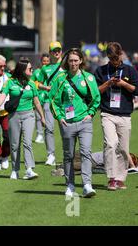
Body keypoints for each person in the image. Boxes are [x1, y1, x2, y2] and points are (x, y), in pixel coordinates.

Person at [50, 49, 101, 198]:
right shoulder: (61, 79)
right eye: (71, 60)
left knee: (86, 153)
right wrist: (59, 117)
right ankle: (70, 185)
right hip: (67, 124)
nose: (73, 63)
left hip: (85, 122)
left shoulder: (89, 78)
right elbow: (53, 99)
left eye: (76, 60)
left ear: (80, 61)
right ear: (67, 62)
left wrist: (90, 113)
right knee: (68, 156)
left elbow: (96, 98)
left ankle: (87, 185)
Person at [94, 42, 138, 191]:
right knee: (110, 143)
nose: (114, 60)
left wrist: (123, 84)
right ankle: (111, 178)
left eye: (116, 57)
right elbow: (95, 91)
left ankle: (121, 179)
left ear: (120, 54)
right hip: (107, 113)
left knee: (123, 147)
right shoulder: (101, 71)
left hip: (124, 115)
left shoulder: (129, 70)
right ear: (108, 56)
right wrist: (108, 83)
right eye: (111, 58)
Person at [0, 58, 45, 180]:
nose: (32, 70)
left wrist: (42, 117)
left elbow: (37, 102)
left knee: (27, 142)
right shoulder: (10, 82)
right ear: (23, 70)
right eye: (30, 69)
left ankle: (29, 169)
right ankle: (15, 169)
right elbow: (3, 95)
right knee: (14, 144)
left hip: (29, 115)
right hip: (14, 116)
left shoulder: (31, 84)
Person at [37, 41, 65, 166]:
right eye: (54, 50)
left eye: (58, 50)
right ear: (50, 53)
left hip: (65, 102)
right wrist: (44, 87)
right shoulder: (45, 68)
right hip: (49, 101)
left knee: (66, 129)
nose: (57, 52)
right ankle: (51, 155)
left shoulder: (67, 65)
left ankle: (67, 155)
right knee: (49, 128)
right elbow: (35, 83)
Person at [31, 53, 50, 144]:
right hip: (38, 95)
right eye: (44, 61)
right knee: (38, 116)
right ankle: (39, 134)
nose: (45, 63)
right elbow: (32, 82)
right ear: (41, 62)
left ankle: (48, 132)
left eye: (47, 61)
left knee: (47, 112)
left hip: (48, 96)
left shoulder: (51, 71)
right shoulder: (36, 72)